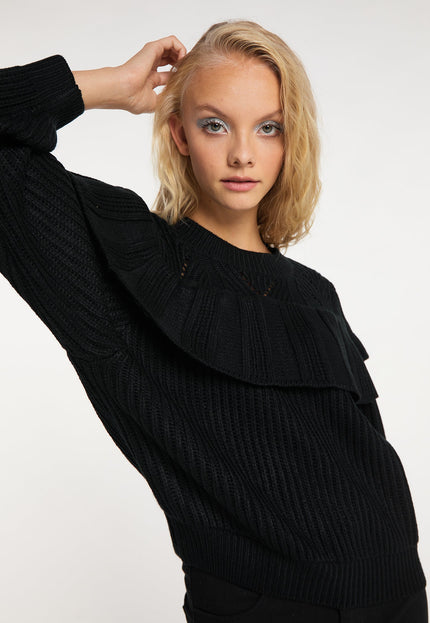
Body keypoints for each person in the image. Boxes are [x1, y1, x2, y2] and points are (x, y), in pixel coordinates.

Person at [0, 19, 427, 623]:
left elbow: (365, 450)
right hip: (262, 604)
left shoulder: (313, 293)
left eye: (269, 127)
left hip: (400, 592)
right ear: (178, 132)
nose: (243, 154)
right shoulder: (124, 262)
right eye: (215, 124)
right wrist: (105, 86)